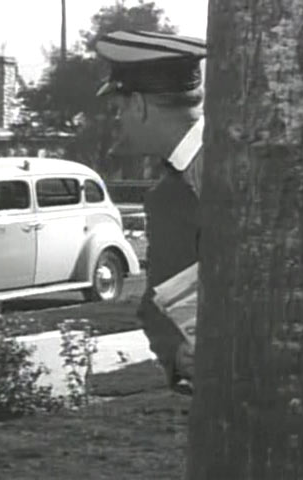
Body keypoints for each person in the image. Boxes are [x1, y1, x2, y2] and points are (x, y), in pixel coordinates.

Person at [95, 31, 207, 394]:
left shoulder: (187, 189)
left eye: (119, 109)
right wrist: (177, 354)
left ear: (139, 105)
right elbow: (158, 302)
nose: (119, 122)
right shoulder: (177, 184)